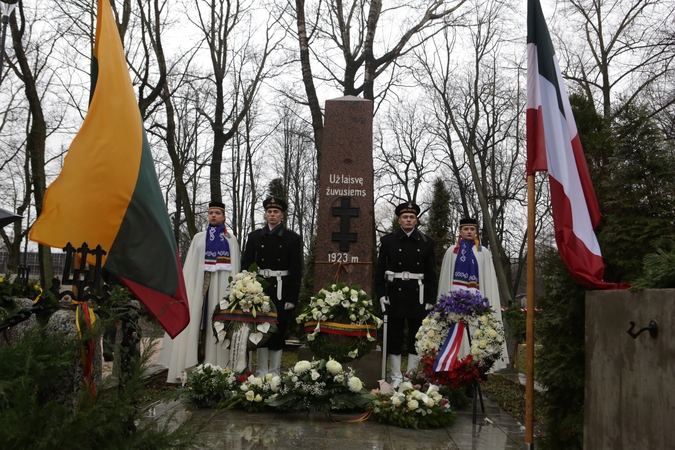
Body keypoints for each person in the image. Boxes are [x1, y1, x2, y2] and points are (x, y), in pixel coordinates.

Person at [159, 200, 241, 383]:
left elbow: (234, 268)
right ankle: (192, 365)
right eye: (210, 212)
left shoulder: (230, 240)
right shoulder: (199, 237)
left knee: (216, 323)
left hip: (220, 288)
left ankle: (218, 367)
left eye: (217, 213)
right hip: (199, 286)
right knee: (196, 322)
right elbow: (190, 266)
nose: (213, 215)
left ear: (224, 216)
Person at [375, 201, 438, 387]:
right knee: (394, 337)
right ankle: (395, 378)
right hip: (394, 294)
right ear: (399, 220)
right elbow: (380, 272)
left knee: (415, 337)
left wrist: (430, 299)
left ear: (416, 220)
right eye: (405, 217)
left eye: (412, 217)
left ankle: (410, 378)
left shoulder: (427, 242)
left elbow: (431, 274)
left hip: (417, 295)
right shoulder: (388, 241)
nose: (408, 220)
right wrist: (380, 294)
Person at [437, 217, 509, 371]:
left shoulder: (483, 252)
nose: (469, 232)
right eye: (466, 229)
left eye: (472, 229)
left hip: (477, 305)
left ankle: (475, 369)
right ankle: (454, 365)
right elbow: (445, 279)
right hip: (455, 307)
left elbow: (488, 279)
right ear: (460, 231)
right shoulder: (452, 252)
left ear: (476, 231)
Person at [241, 197, 302, 376]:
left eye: (276, 212)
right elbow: (245, 266)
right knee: (260, 330)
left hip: (281, 290)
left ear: (282, 215)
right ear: (266, 214)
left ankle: (275, 372)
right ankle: (261, 371)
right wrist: (245, 290)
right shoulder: (254, 237)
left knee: (278, 330)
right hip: (259, 289)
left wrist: (292, 298)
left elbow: (296, 271)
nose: (272, 215)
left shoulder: (292, 239)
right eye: (269, 211)